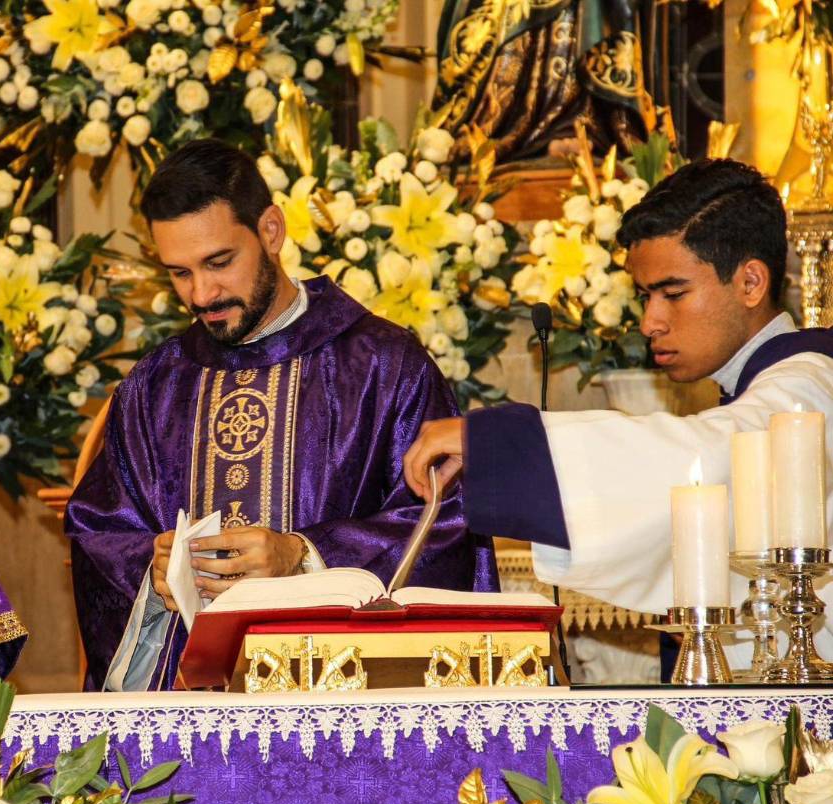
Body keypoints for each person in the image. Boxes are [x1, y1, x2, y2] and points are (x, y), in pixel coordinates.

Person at [66, 139, 497, 691]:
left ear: (271, 231)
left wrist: (305, 555)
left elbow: (448, 521)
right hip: (192, 712)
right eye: (179, 273)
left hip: (346, 704)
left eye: (219, 262)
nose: (201, 293)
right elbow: (98, 531)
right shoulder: (155, 386)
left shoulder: (384, 366)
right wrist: (149, 568)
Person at [404, 158, 833, 666]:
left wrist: (499, 447)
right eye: (645, 296)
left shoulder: (809, 382)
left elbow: (720, 456)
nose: (650, 321)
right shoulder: (761, 385)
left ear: (750, 283)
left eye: (673, 293)